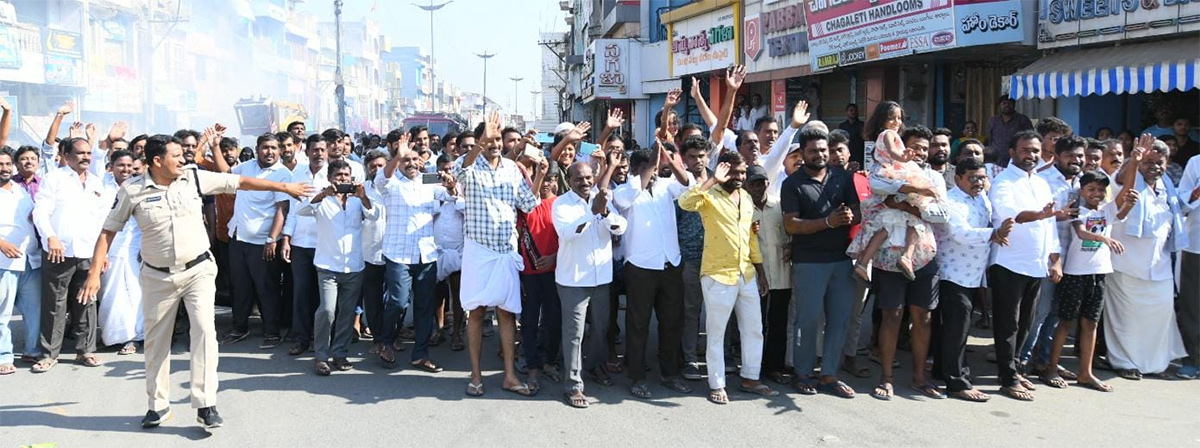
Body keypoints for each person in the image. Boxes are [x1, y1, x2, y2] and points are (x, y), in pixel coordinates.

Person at [77, 134, 310, 429]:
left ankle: (205, 404)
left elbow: (238, 183)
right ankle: (157, 406)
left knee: (203, 332)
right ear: (157, 161)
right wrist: (94, 273)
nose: (183, 158)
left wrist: (283, 186)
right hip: (157, 276)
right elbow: (108, 231)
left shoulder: (194, 179)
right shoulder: (132, 191)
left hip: (198, 271)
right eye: (176, 155)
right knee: (156, 342)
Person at [454, 112, 546, 397]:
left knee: (507, 315)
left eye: (497, 140)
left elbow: (528, 204)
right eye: (489, 139)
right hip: (478, 251)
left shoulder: (512, 168)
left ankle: (509, 376)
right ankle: (476, 376)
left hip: (506, 250)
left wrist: (540, 175)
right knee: (477, 313)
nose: (494, 144)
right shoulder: (468, 166)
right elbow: (458, 174)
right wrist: (479, 144)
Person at [679, 151, 777, 404]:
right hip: (717, 274)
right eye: (733, 172)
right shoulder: (709, 195)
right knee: (716, 331)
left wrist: (761, 273)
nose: (739, 177)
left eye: (742, 172)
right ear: (721, 170)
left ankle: (750, 377)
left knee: (754, 329)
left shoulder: (745, 197)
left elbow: (751, 238)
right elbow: (685, 203)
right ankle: (717, 383)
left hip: (746, 274)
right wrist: (711, 181)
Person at [862, 125, 948, 401]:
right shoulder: (882, 171)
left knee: (923, 317)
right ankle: (886, 378)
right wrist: (907, 191)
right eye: (914, 147)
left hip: (924, 255)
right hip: (889, 256)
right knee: (892, 315)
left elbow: (943, 214)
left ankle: (920, 378)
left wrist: (911, 207)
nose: (920, 153)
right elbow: (878, 190)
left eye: (925, 148)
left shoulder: (933, 177)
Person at [987, 129, 1068, 401]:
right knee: (1007, 324)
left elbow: (1050, 225)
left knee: (1026, 323)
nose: (1031, 155)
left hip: (1036, 264)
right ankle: (1007, 378)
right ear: (1012, 152)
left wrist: (1055, 259)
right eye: (1025, 150)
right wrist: (1039, 215)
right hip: (1010, 262)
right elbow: (1010, 215)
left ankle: (1017, 368)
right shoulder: (1004, 182)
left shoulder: (1042, 183)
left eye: (1035, 150)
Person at [782, 127, 862, 399]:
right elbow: (791, 224)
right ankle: (803, 373)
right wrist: (827, 222)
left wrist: (851, 215)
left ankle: (829, 375)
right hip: (809, 263)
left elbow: (859, 211)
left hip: (842, 260)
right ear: (802, 154)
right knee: (808, 320)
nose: (819, 155)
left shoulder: (842, 177)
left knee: (839, 320)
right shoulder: (792, 184)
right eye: (813, 151)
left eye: (823, 150)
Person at [613, 134, 693, 399]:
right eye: (650, 165)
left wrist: (671, 159)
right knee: (638, 324)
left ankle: (670, 373)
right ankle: (637, 377)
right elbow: (630, 196)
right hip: (640, 267)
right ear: (636, 168)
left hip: (670, 263)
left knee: (672, 322)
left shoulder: (666, 186)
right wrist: (651, 163)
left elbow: (688, 184)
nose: (657, 169)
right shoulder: (625, 191)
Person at [1106, 136, 1188, 380]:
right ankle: (1124, 362)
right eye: (1148, 162)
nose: (1154, 166)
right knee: (1126, 319)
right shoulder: (1126, 179)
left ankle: (1156, 365)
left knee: (1160, 318)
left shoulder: (1167, 188)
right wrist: (1134, 159)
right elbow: (1123, 179)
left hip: (1159, 267)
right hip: (1126, 264)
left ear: (1167, 162)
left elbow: (1180, 211)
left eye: (1159, 162)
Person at [1047, 170, 1136, 392]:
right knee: (1066, 321)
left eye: (1100, 190)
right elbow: (1082, 233)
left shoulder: (1107, 209)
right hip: (1076, 273)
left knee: (1091, 323)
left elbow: (1125, 194)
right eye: (1091, 189)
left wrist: (1135, 161)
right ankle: (1051, 368)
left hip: (1099, 272)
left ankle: (1085, 373)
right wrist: (1104, 237)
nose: (1096, 193)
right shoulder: (1077, 210)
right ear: (1082, 190)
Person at [30, 137, 112, 373]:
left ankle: (85, 351)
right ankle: (49, 354)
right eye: (80, 153)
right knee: (54, 304)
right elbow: (41, 212)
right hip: (59, 252)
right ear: (67, 156)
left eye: (88, 153)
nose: (86, 157)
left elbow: (103, 222)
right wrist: (51, 237)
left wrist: (103, 253)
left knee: (87, 301)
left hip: (89, 253)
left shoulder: (97, 183)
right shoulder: (54, 178)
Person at [375, 137, 457, 373]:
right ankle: (386, 342)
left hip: (426, 254)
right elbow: (382, 179)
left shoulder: (428, 180)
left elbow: (450, 194)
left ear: (421, 162)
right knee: (398, 301)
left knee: (424, 306)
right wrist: (397, 155)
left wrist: (451, 185)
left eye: (414, 159)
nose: (410, 163)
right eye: (406, 160)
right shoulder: (391, 182)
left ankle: (420, 355)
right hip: (398, 254)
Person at [933, 158, 1011, 402]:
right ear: (958, 179)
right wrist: (995, 234)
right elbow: (961, 233)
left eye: (982, 178)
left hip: (974, 275)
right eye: (972, 178)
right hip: (953, 273)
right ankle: (956, 382)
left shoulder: (982, 199)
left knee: (955, 329)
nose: (979, 182)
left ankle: (942, 371)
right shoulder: (951, 201)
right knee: (956, 329)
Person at [552, 160, 625, 408]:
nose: (584, 182)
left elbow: (620, 227)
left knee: (601, 328)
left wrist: (604, 212)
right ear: (569, 181)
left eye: (587, 177)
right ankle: (573, 385)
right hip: (573, 280)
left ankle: (594, 367)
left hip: (601, 278)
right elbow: (567, 233)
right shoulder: (562, 204)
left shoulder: (602, 198)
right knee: (575, 334)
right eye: (578, 179)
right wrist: (591, 212)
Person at [299, 159, 378, 376]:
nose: (342, 179)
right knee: (327, 310)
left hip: (353, 265)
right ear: (330, 178)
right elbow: (303, 210)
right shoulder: (322, 199)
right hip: (327, 265)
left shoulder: (356, 201)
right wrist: (323, 194)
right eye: (338, 176)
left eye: (345, 176)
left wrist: (363, 197)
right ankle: (321, 356)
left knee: (347, 312)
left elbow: (374, 215)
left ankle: (340, 353)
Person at [849, 106, 941, 282]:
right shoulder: (888, 135)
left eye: (899, 118)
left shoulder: (884, 138)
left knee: (886, 226)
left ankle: (863, 263)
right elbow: (892, 152)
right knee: (915, 219)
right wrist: (904, 158)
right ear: (882, 120)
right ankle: (906, 256)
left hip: (893, 174)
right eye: (892, 118)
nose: (896, 122)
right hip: (895, 173)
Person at [219, 133, 293, 349]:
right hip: (238, 237)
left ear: (279, 151)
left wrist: (272, 239)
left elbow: (282, 209)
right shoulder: (247, 167)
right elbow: (225, 174)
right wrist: (215, 145)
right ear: (257, 149)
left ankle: (271, 331)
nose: (269, 152)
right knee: (239, 286)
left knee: (266, 288)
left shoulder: (282, 175)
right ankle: (239, 327)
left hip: (264, 242)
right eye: (264, 148)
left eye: (273, 148)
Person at [1024, 135, 1085, 386]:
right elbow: (1038, 220)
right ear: (1057, 156)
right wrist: (1056, 217)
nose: (1077, 160)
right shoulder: (1043, 181)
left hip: (1076, 259)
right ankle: (1021, 362)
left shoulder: (1085, 183)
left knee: (1058, 314)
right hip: (1049, 258)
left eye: (1080, 155)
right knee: (1040, 312)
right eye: (1070, 155)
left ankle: (1046, 360)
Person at [516, 161, 563, 390]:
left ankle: (549, 360)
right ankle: (531, 362)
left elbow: (570, 238)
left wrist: (555, 256)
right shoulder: (526, 205)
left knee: (554, 317)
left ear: (556, 181)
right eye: (542, 179)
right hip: (529, 272)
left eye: (550, 180)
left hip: (555, 271)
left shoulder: (562, 205)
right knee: (529, 319)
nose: (545, 184)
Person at [281, 135, 330, 356]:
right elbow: (291, 210)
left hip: (326, 243)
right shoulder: (297, 175)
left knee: (324, 296)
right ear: (307, 152)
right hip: (300, 243)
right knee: (301, 291)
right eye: (314, 150)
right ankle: (300, 337)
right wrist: (286, 239)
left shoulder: (334, 175)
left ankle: (322, 339)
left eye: (322, 150)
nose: (318, 154)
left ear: (327, 151)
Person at [745, 164, 792, 384]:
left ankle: (774, 366)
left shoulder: (779, 206)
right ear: (746, 185)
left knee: (778, 322)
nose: (757, 187)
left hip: (782, 272)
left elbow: (790, 233)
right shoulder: (743, 209)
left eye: (761, 182)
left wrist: (792, 247)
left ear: (767, 183)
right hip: (755, 275)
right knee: (756, 324)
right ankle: (754, 366)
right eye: (753, 183)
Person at [96, 151, 144, 355]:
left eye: (129, 166)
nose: (125, 170)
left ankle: (134, 337)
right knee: (109, 294)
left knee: (135, 293)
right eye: (120, 165)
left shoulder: (140, 186)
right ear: (111, 166)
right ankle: (113, 336)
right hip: (108, 247)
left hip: (135, 246)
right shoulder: (101, 185)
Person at [0, 148, 41, 375]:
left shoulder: (20, 190)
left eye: (7, 164)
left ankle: (32, 350)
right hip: (3, 262)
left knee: (34, 311)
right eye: (0, 164)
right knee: (2, 313)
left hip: (30, 259)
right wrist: (2, 244)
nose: (4, 168)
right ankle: (4, 355)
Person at [433, 151, 466, 352]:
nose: (447, 173)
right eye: (444, 169)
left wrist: (454, 192)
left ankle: (456, 333)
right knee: (437, 293)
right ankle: (439, 329)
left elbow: (466, 210)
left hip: (459, 249)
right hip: (435, 249)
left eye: (451, 170)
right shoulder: (431, 189)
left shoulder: (464, 188)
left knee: (458, 293)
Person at [1177, 152, 1200, 379]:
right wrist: (1196, 193)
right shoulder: (1196, 162)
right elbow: (1181, 204)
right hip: (1196, 246)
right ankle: (1191, 360)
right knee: (1193, 306)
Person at [986, 95, 1034, 166]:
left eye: (1009, 103)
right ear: (1000, 106)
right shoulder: (993, 120)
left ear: (1014, 105)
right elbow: (990, 138)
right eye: (1004, 103)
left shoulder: (1022, 119)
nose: (1007, 105)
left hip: (1016, 158)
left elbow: (1030, 138)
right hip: (996, 160)